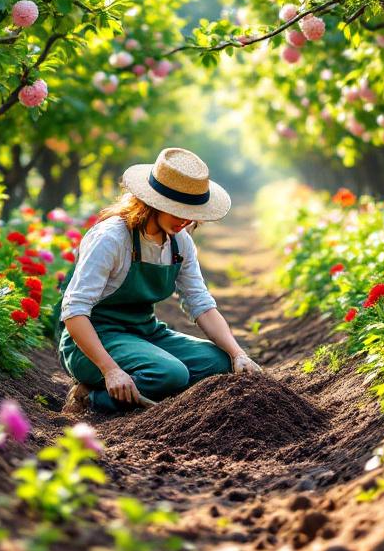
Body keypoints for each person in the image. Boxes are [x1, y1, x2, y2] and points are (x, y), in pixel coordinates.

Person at [55, 147, 262, 413]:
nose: (185, 220)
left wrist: (238, 354)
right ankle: (91, 397)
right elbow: (73, 311)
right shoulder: (112, 238)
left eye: (190, 212)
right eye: (178, 211)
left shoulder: (180, 244)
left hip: (145, 333)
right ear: (154, 203)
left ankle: (145, 385)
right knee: (171, 374)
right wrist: (111, 370)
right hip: (93, 340)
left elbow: (201, 304)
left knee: (219, 363)